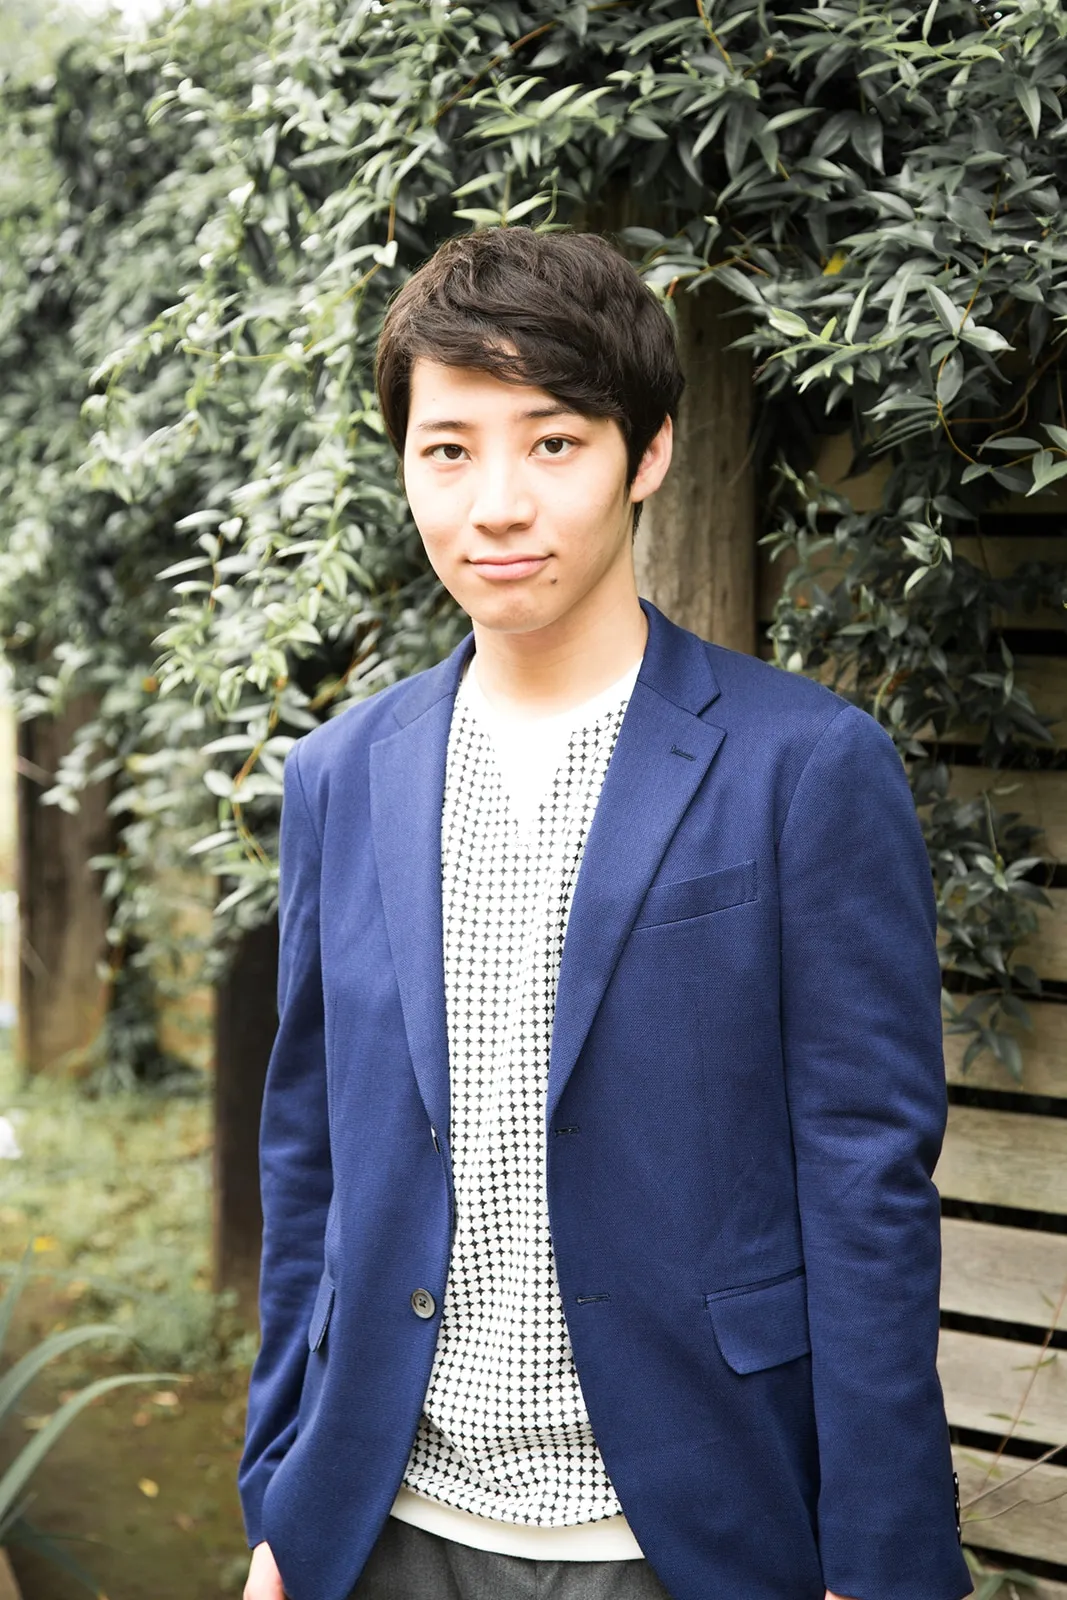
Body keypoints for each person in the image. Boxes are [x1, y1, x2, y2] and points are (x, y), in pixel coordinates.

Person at [239, 226, 972, 1600]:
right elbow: (308, 1163)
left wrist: (879, 1562)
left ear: (645, 456)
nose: (495, 505)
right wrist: (277, 1493)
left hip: (690, 1530)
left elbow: (866, 1187)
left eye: (553, 443)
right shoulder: (342, 774)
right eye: (447, 449)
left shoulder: (801, 767)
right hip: (381, 1517)